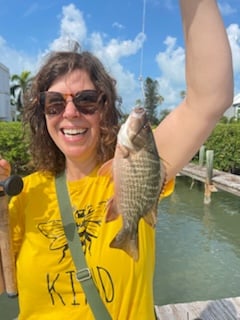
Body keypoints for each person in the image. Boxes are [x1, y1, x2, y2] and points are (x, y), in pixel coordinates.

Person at [0, 1, 233, 319]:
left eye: (86, 100)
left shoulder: (139, 164)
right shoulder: (22, 195)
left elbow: (209, 99)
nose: (70, 113)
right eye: (54, 103)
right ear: (42, 114)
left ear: (105, 107)